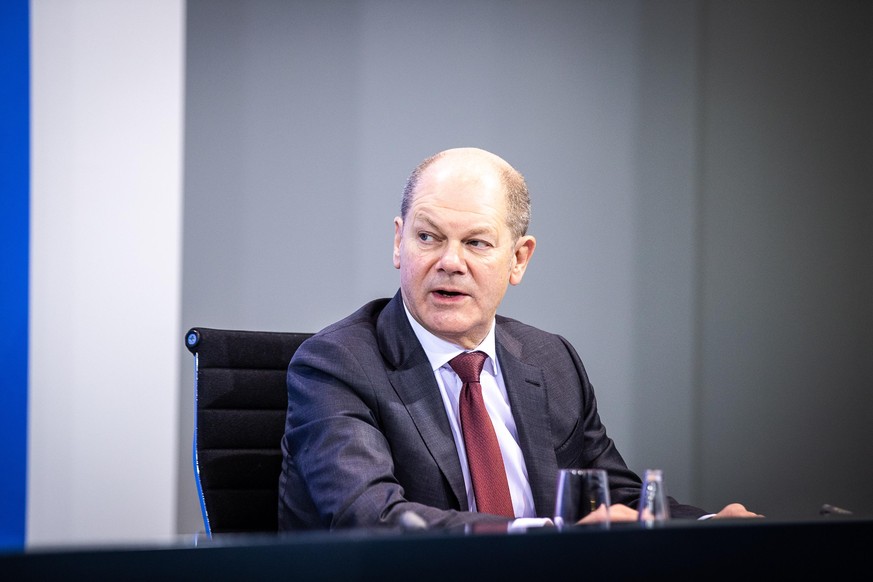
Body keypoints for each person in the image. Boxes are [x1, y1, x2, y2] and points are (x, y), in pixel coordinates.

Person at [278, 147, 759, 530]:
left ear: (519, 259)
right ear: (398, 243)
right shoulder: (336, 364)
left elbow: (611, 498)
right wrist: (537, 538)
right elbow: (371, 517)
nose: (449, 261)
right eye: (428, 237)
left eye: (476, 242)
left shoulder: (550, 361)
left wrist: (710, 524)